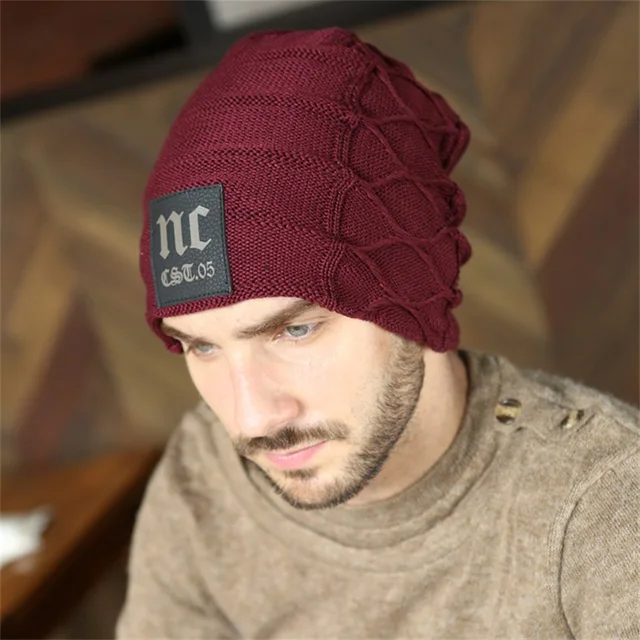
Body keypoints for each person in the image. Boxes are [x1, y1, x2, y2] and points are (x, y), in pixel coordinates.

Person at [116, 27, 639, 639]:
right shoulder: (204, 473)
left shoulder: (603, 504)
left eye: (297, 330)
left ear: (411, 297)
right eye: (202, 346)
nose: (252, 419)